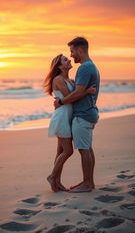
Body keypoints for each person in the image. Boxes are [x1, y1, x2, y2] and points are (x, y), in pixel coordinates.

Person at [43, 54, 95, 192]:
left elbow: (73, 95)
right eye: (65, 60)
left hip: (68, 117)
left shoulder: (69, 80)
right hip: (61, 118)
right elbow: (69, 98)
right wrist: (87, 91)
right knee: (68, 151)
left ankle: (57, 182)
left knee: (60, 151)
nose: (69, 60)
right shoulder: (58, 79)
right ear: (59, 66)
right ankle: (52, 177)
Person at [54, 37, 100, 193]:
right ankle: (89, 182)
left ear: (80, 50)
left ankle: (87, 183)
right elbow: (79, 91)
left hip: (83, 114)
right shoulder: (90, 66)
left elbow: (78, 93)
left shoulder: (85, 68)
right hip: (89, 112)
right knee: (87, 148)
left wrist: (60, 102)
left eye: (72, 51)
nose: (72, 55)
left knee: (84, 150)